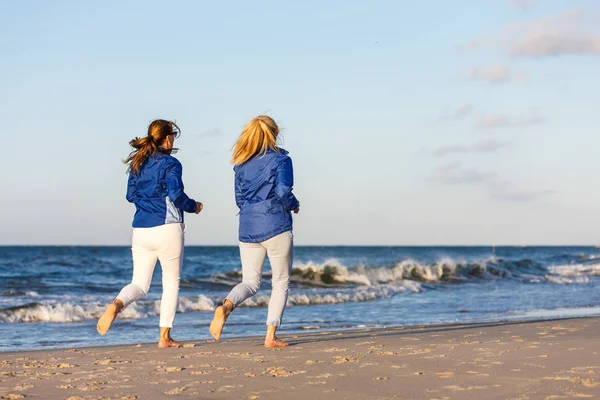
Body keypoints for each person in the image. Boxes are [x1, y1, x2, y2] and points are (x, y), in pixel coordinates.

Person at [97, 119, 203, 348]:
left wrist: (148, 200)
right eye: (172, 135)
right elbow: (176, 196)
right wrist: (194, 206)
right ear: (167, 138)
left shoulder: (138, 163)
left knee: (139, 284)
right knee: (171, 284)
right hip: (167, 228)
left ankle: (116, 304)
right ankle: (164, 337)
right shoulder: (171, 164)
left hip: (141, 229)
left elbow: (129, 195)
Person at [209, 115, 299, 348]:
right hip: (276, 224)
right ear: (274, 134)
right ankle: (270, 336)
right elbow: (282, 191)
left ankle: (226, 306)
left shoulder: (240, 163)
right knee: (280, 282)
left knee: (250, 282)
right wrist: (294, 204)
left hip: (248, 226)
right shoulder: (281, 160)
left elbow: (239, 199)